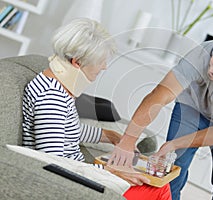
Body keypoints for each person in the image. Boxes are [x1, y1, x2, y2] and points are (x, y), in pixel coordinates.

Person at [108, 31, 213, 200]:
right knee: (172, 177)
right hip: (191, 110)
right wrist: (128, 139)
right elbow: (160, 95)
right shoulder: (199, 55)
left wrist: (174, 144)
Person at [22, 18, 171, 200]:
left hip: (84, 175)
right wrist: (110, 172)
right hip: (76, 185)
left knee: (155, 183)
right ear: (77, 62)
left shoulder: (58, 88)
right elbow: (55, 164)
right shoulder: (51, 97)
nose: (104, 66)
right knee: (158, 189)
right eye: (101, 61)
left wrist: (110, 135)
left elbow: (67, 131)